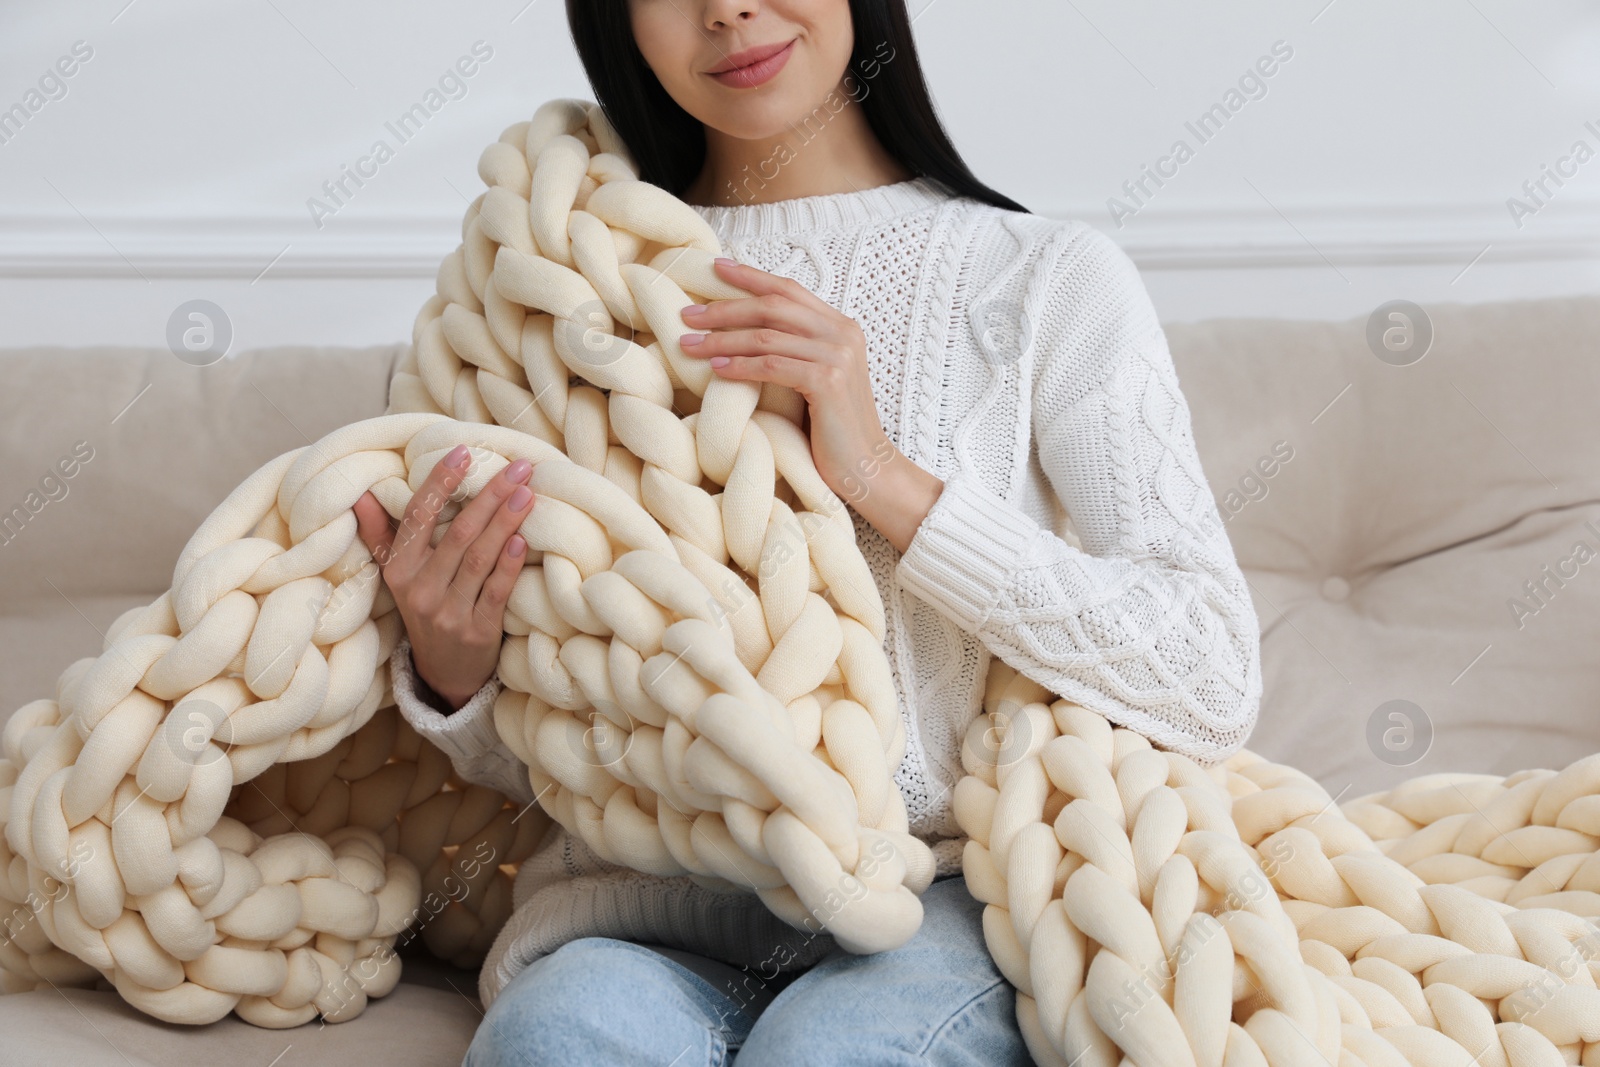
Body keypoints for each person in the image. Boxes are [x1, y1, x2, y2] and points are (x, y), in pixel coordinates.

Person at [351, 0, 1264, 1062]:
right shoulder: (540, 304)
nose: (728, 8)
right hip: (636, 911)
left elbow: (1206, 672)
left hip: (946, 899)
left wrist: (879, 476)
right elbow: (553, 763)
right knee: (557, 1041)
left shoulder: (1045, 278)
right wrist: (456, 682)